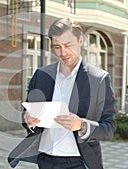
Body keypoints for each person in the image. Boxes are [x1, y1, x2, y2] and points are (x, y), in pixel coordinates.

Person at [8, 18, 116, 169]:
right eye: (57, 47)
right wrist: (28, 119)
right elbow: (27, 113)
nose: (62, 52)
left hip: (78, 162)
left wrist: (82, 125)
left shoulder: (98, 79)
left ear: (80, 41)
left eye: (67, 45)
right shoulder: (41, 75)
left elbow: (109, 128)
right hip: (44, 160)